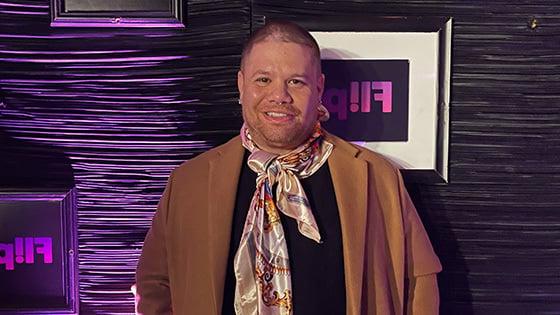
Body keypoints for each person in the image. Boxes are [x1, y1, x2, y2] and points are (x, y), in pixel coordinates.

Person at [136, 20, 442, 315]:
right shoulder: (190, 182)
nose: (279, 96)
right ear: (241, 84)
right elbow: (155, 287)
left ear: (319, 87)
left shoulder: (376, 177)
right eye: (263, 80)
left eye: (296, 81)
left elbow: (420, 281)